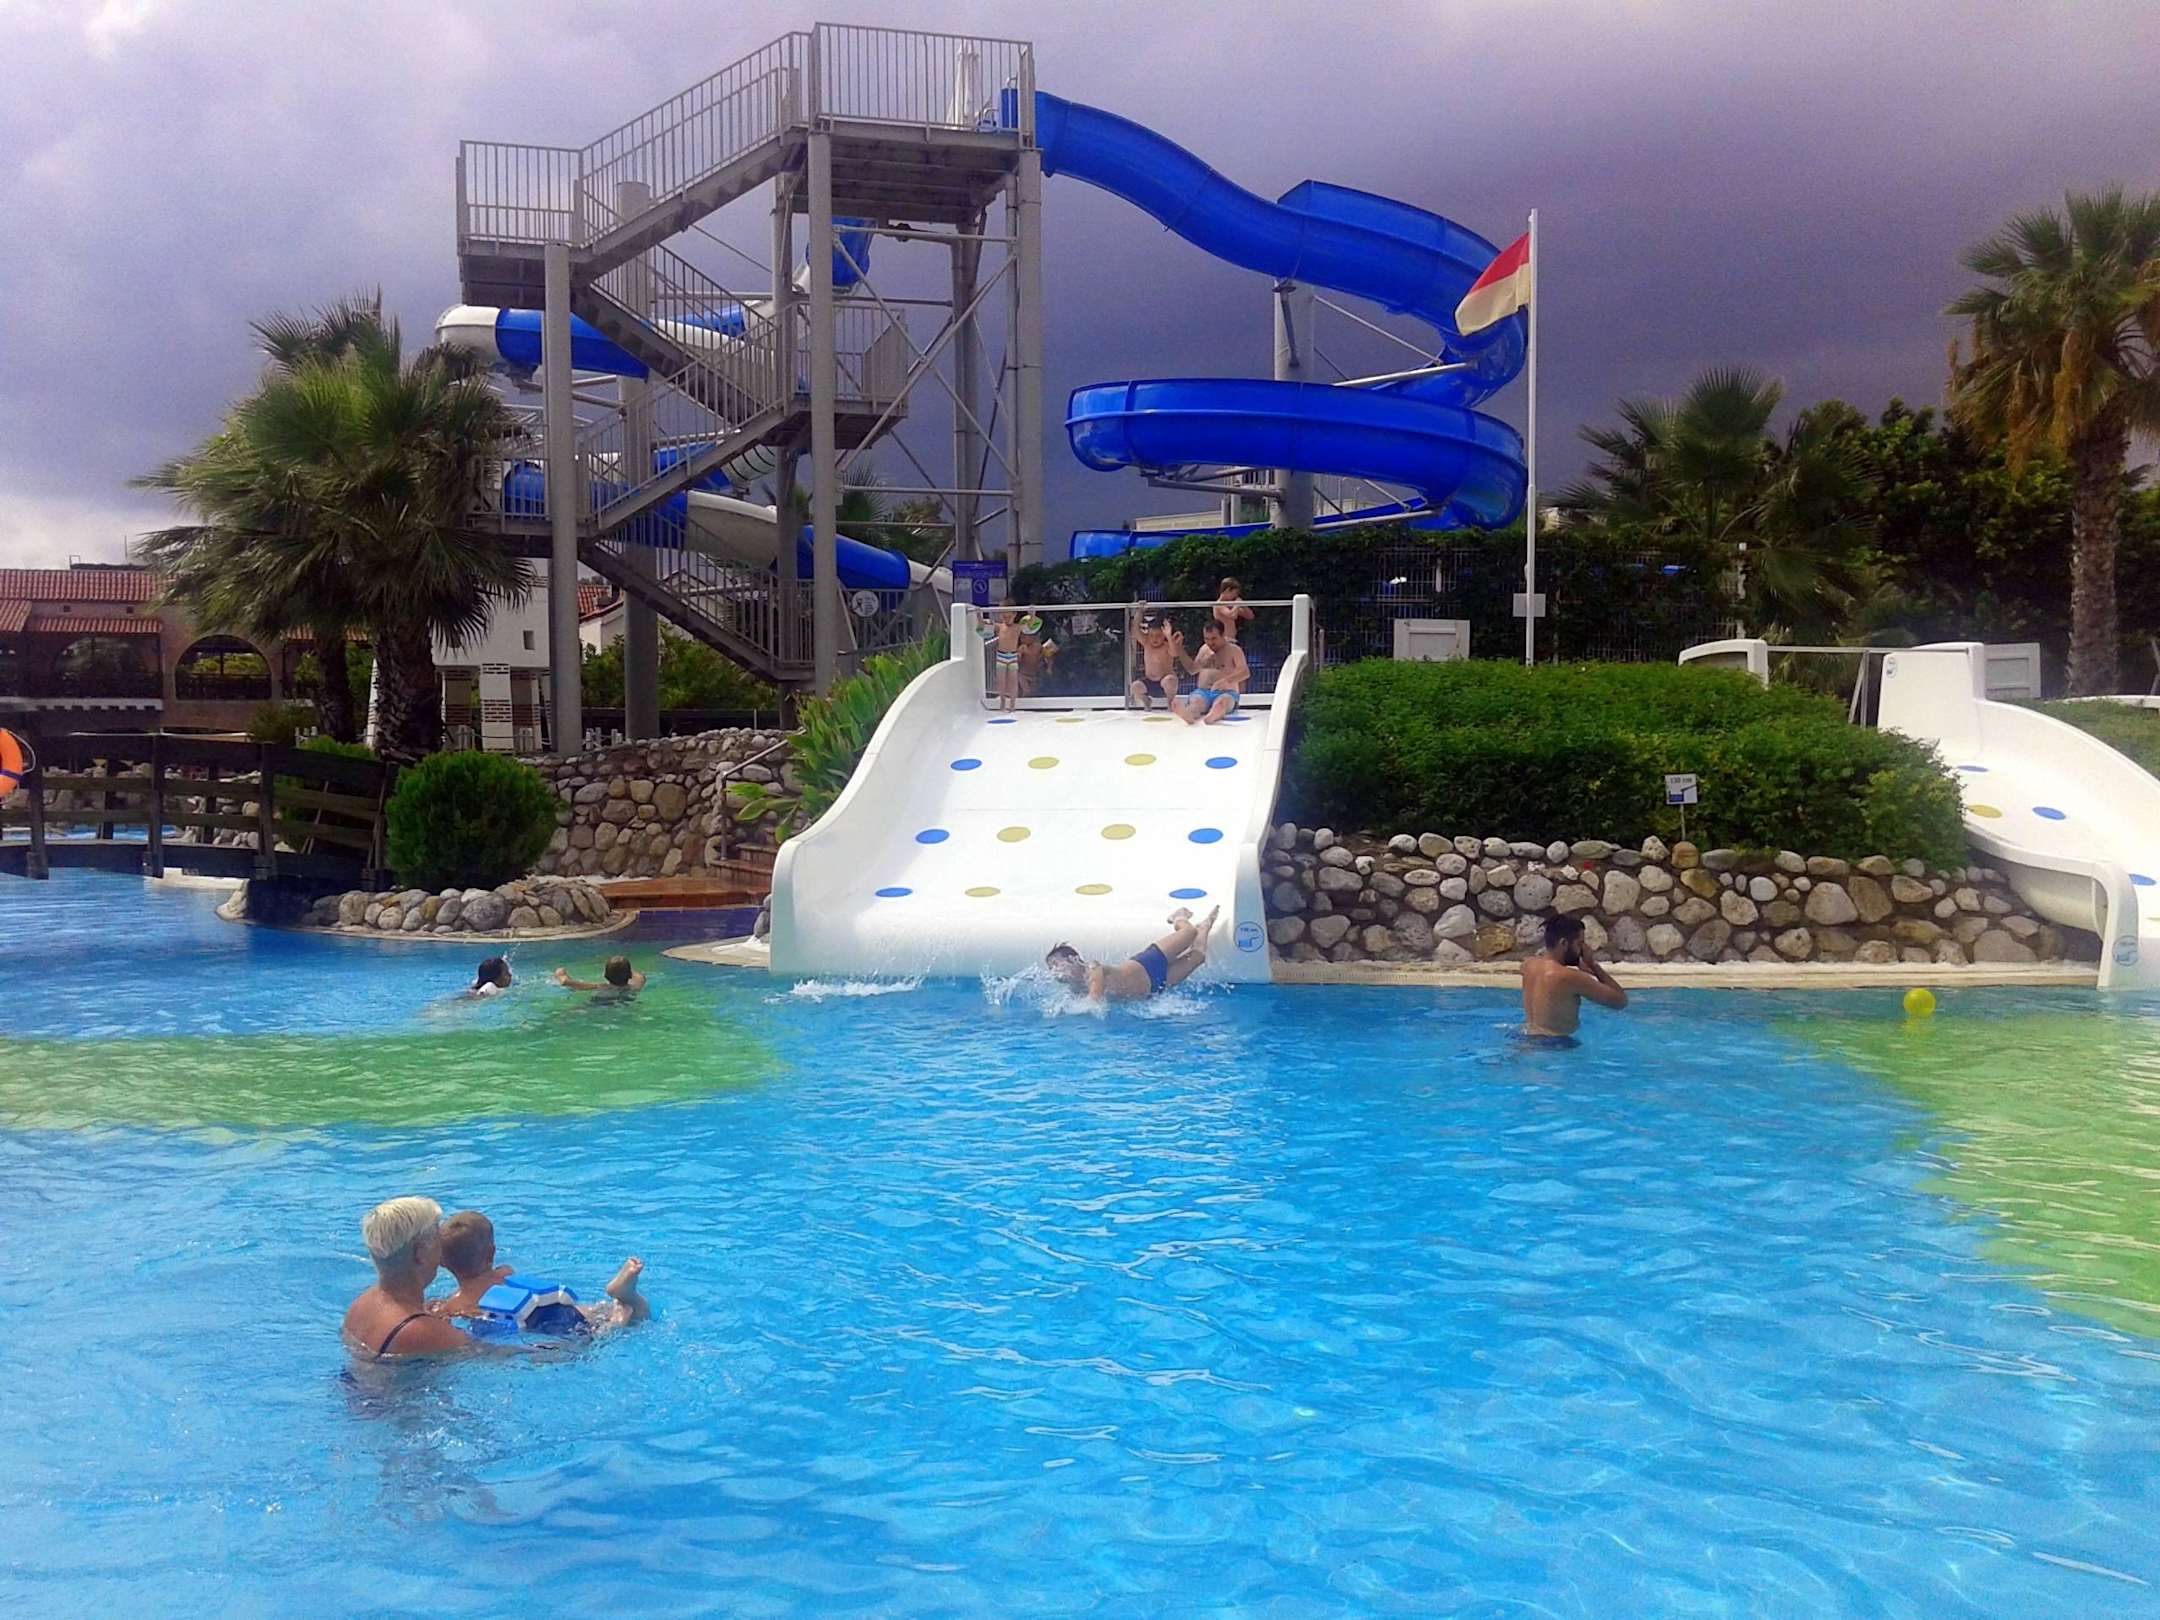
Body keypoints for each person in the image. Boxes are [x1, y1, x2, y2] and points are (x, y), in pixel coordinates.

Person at [433, 1209, 650, 1327]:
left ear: (441, 1262)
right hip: (562, 1309)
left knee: (598, 1334)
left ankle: (613, 1327)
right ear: (492, 1252)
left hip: (545, 1329)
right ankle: (624, 1294)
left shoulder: (455, 1305)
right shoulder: (505, 1272)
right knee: (632, 1312)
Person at [342, 1196, 472, 1360]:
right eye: (439, 1239)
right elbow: (493, 1355)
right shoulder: (424, 1332)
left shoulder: (361, 1305)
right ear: (421, 1252)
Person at [1046, 906, 1219, 1002]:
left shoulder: (1092, 968)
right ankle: (1204, 927)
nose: (1053, 970)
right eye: (1050, 967)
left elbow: (1095, 997)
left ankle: (1178, 917)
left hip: (1148, 963)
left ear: (1073, 959)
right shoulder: (1075, 989)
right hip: (1153, 989)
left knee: (1189, 933)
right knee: (1198, 957)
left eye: (1056, 964)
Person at [1520, 915, 1628, 1040]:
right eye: (1580, 943)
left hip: (1526, 1036)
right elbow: (1620, 1002)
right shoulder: (1569, 976)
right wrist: (1593, 965)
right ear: (1564, 943)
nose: (1583, 950)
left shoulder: (1528, 965)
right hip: (1556, 1045)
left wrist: (1579, 963)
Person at [1176, 619, 1250, 726]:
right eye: (1207, 639)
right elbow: (1192, 670)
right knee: (1196, 703)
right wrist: (1179, 649)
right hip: (1203, 692)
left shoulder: (1234, 650)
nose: (1210, 643)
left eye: (1214, 638)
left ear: (1223, 635)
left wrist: (1226, 681)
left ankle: (1213, 715)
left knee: (1222, 702)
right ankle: (1189, 715)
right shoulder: (1204, 649)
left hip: (1226, 692)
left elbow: (1245, 672)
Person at [1129, 611, 1185, 711]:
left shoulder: (1167, 646)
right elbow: (1136, 630)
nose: (1155, 639)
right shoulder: (1146, 643)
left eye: (1158, 635)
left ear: (1163, 635)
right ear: (1148, 635)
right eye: (1152, 635)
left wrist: (1169, 636)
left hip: (1165, 682)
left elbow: (1175, 653)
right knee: (1134, 686)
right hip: (1149, 682)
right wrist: (1140, 610)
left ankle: (1170, 702)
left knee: (1170, 680)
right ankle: (1146, 700)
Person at [554, 956, 645, 1003]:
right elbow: (638, 975)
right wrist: (621, 967)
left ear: (605, 975)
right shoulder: (637, 985)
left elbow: (566, 982)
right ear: (629, 975)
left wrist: (561, 974)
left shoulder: (601, 987)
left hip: (598, 1006)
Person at [983, 610, 1024, 712]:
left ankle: (1012, 704)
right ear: (1001, 616)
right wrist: (979, 615)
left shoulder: (1018, 627)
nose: (1007, 619)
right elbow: (984, 624)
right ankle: (1002, 703)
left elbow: (1031, 627)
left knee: (1013, 681)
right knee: (1001, 681)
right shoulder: (1000, 626)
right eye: (1005, 617)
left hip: (1013, 656)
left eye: (1009, 617)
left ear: (1014, 615)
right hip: (1001, 656)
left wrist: (1032, 613)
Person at [1210, 577, 1254, 643]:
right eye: (1234, 593)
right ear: (1227, 590)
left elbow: (1250, 616)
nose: (1235, 596)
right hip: (1225, 639)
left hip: (1232, 639)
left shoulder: (1231, 605)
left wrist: (1243, 605)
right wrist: (1237, 604)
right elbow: (1232, 616)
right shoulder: (1218, 604)